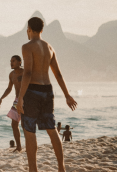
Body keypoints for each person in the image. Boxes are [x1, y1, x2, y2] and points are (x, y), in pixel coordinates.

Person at [16, 17, 78, 172]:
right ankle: (61, 167)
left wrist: (21, 97)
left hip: (32, 92)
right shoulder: (50, 47)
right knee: (52, 129)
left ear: (29, 29)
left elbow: (28, 72)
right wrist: (67, 95)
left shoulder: (27, 46)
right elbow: (58, 74)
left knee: (29, 132)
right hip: (47, 91)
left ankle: (33, 170)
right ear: (42, 30)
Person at [0, 55, 24, 152]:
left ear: (20, 62)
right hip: (17, 101)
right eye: (10, 61)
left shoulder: (25, 72)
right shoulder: (11, 75)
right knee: (14, 124)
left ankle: (30, 145)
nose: (11, 63)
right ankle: (19, 146)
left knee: (25, 124)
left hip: (26, 100)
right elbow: (9, 88)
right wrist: (1, 98)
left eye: (13, 61)